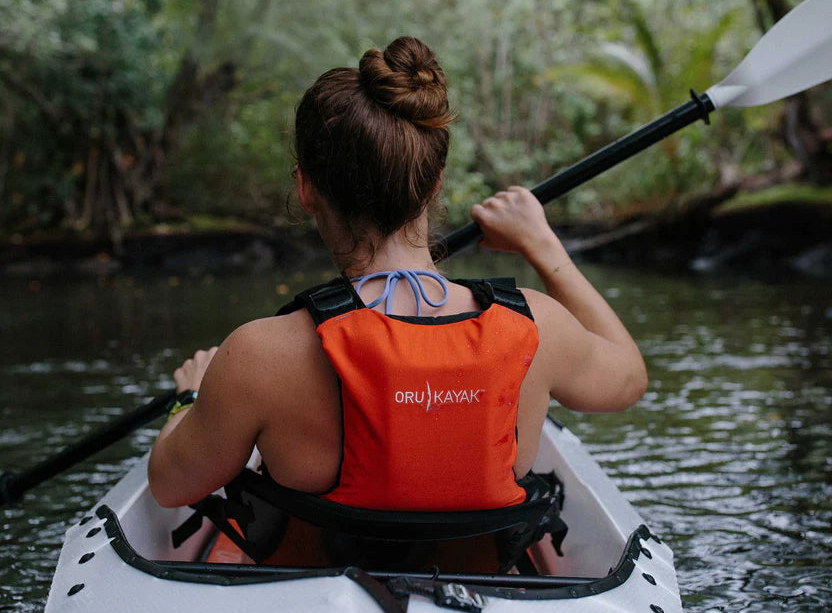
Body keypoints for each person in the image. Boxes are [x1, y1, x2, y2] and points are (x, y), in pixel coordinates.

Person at [148, 36, 647, 529]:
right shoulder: (536, 326)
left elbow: (172, 486)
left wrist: (190, 398)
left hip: (319, 592)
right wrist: (542, 242)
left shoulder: (257, 355)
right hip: (486, 592)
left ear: (305, 189)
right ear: (434, 182)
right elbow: (628, 379)